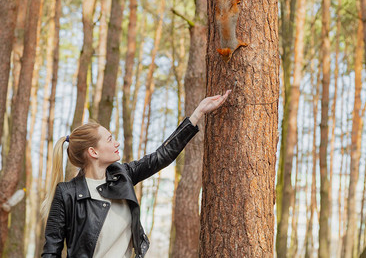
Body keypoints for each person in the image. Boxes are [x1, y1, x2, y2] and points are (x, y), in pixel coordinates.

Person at [41, 90, 231, 258]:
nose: (116, 143)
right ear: (93, 152)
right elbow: (51, 251)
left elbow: (160, 156)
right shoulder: (67, 193)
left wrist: (197, 114)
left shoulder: (122, 175)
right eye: (109, 139)